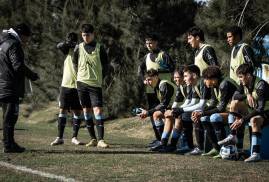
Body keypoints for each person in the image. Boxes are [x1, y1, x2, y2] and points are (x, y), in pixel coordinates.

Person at [0, 23, 39, 153]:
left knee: (7, 116)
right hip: (10, 86)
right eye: (27, 38)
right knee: (11, 116)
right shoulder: (14, 44)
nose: (27, 42)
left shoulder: (3, 42)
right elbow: (18, 66)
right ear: (21, 35)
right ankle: (9, 145)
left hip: (2, 84)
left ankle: (8, 142)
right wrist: (32, 75)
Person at [218, 64, 269, 162]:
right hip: (254, 110)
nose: (240, 80)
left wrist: (242, 119)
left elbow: (260, 109)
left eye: (241, 77)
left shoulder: (261, 85)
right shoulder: (244, 83)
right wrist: (248, 95)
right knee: (234, 103)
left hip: (266, 112)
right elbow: (235, 97)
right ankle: (233, 136)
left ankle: (255, 154)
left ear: (249, 75)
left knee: (254, 120)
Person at [73, 24, 110, 148]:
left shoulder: (100, 48)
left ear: (93, 34)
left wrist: (101, 77)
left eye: (88, 35)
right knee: (86, 111)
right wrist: (79, 75)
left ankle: (101, 140)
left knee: (98, 110)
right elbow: (74, 62)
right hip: (81, 83)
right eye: (83, 35)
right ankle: (93, 139)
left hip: (95, 84)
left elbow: (106, 66)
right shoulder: (78, 47)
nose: (86, 37)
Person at [191, 66, 238, 158]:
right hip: (228, 112)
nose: (204, 82)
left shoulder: (225, 84)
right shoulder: (214, 86)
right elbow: (213, 104)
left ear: (212, 79)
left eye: (205, 79)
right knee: (204, 118)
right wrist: (199, 112)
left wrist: (201, 113)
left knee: (214, 117)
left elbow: (220, 108)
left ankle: (224, 149)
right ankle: (216, 148)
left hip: (238, 113)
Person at [138, 34, 175, 147]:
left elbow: (172, 67)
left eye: (151, 42)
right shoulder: (146, 57)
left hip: (164, 90)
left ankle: (167, 139)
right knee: (153, 114)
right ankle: (159, 139)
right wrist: (143, 80)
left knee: (165, 113)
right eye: (147, 43)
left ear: (156, 42)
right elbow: (140, 69)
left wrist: (159, 70)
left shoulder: (163, 55)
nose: (148, 45)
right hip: (151, 90)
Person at [172, 65, 216, 155]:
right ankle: (189, 145)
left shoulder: (202, 83)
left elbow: (202, 104)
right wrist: (180, 109)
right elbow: (192, 102)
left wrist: (182, 110)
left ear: (194, 75)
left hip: (213, 108)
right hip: (206, 108)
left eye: (185, 76)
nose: (184, 79)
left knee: (193, 114)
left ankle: (200, 147)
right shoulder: (194, 85)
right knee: (185, 115)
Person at [50, 32, 84, 146]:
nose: (71, 42)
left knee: (77, 111)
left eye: (72, 40)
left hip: (78, 85)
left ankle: (74, 137)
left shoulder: (80, 49)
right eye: (69, 40)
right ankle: (59, 137)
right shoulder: (66, 49)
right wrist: (67, 43)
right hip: (66, 85)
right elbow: (59, 45)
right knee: (62, 110)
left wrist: (75, 45)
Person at [138, 69, 176, 150]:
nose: (148, 82)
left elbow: (164, 104)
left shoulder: (163, 84)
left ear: (156, 77)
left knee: (161, 115)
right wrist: (148, 112)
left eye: (149, 80)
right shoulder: (156, 87)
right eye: (146, 80)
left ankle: (164, 143)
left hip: (177, 108)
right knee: (156, 114)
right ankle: (161, 141)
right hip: (171, 108)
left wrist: (148, 112)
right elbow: (162, 105)